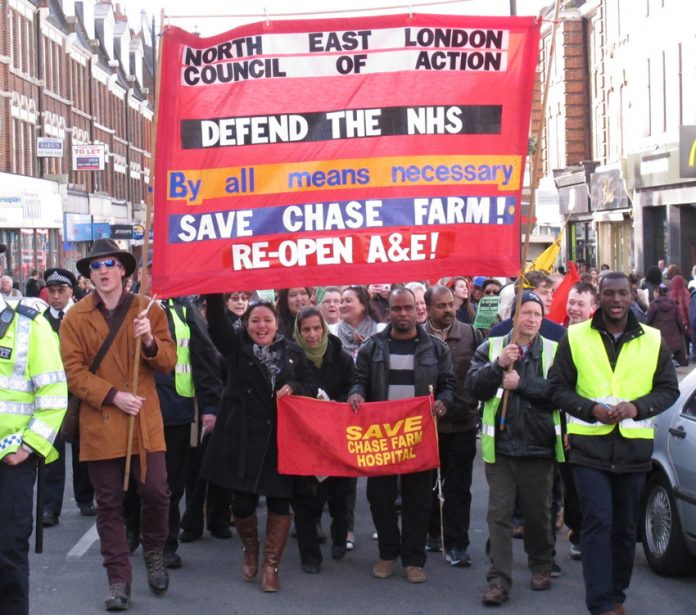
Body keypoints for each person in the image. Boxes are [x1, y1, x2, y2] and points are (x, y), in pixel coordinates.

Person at [549, 272, 679, 615]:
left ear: (632, 294)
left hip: (634, 450)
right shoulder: (575, 337)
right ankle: (600, 603)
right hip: (588, 449)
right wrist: (589, 409)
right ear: (600, 297)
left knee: (624, 528)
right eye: (609, 293)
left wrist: (637, 407)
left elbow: (668, 389)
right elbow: (556, 388)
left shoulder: (652, 339)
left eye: (623, 293)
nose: (617, 300)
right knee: (598, 522)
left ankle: (616, 593)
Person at [59, 239, 177, 611]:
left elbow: (168, 362)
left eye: (109, 264)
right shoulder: (75, 316)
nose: (103, 271)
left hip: (144, 421)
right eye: (95, 267)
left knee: (157, 492)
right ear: (90, 275)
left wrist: (148, 341)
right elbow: (73, 373)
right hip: (101, 420)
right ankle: (118, 580)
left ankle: (154, 551)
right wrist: (112, 395)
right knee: (108, 505)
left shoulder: (148, 309)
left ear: (124, 269)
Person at [202, 298, 316, 592]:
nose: (261, 326)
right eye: (255, 321)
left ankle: (270, 565)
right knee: (242, 503)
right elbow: (216, 322)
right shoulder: (235, 347)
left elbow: (310, 385)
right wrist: (215, 291)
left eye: (267, 320)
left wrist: (295, 387)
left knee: (280, 501)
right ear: (246, 324)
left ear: (278, 323)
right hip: (242, 437)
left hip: (280, 439)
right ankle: (250, 549)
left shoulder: (292, 352)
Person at [348, 288, 454, 584]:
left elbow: (448, 385)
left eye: (408, 308)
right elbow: (359, 380)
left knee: (418, 500)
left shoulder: (435, 348)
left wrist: (444, 401)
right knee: (379, 497)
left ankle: (413, 559)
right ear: (388, 311)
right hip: (381, 437)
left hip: (417, 437)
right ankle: (387, 554)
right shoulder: (372, 347)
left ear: (418, 310)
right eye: (397, 309)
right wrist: (356, 393)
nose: (403, 314)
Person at [467, 291, 564, 607]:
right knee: (499, 516)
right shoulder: (492, 347)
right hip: (503, 448)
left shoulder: (554, 351)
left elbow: (560, 394)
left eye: (538, 314)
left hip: (539, 447)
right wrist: (498, 366)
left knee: (538, 514)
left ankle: (541, 565)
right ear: (513, 316)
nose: (533, 319)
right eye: (527, 313)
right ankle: (498, 580)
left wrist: (520, 384)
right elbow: (473, 387)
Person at [123, 284, 224, 568]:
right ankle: (132, 527)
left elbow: (204, 358)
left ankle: (166, 543)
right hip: (135, 409)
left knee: (170, 485)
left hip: (176, 412)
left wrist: (210, 407)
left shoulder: (183, 309)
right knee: (132, 481)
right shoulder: (127, 307)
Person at [0, 245, 68, 615]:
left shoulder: (28, 322)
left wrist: (27, 446)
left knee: (8, 555)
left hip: (11, 459)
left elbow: (54, 392)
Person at [291, 306, 355, 573]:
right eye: (306, 329)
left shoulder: (341, 357)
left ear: (325, 328)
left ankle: (340, 536)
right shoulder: (291, 358)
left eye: (317, 328)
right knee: (304, 496)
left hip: (336, 436)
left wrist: (335, 405)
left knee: (339, 494)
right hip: (302, 437)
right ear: (298, 332)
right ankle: (310, 556)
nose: (312, 334)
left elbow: (353, 387)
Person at [423, 285, 482, 567]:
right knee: (429, 485)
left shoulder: (470, 334)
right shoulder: (417, 337)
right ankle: (433, 531)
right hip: (427, 426)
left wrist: (472, 403)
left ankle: (458, 543)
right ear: (428, 308)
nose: (448, 310)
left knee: (459, 486)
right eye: (441, 306)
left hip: (462, 423)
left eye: (451, 304)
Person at [40, 268, 96, 527]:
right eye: (51, 291)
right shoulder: (40, 320)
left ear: (72, 291)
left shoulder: (83, 317)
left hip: (78, 392)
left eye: (61, 291)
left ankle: (85, 499)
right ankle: (50, 508)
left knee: (83, 449)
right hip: (51, 394)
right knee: (52, 454)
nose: (55, 296)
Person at [489, 271, 566, 342]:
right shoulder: (498, 332)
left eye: (551, 293)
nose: (551, 299)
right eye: (544, 293)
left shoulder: (559, 333)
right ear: (525, 294)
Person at [333, 285, 384, 360]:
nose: (343, 305)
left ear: (363, 305)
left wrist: (369, 345)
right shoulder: (332, 331)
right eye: (341, 302)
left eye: (348, 301)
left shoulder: (381, 330)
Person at [647, 283, 687, 366]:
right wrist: (685, 333)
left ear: (657, 292)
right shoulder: (673, 304)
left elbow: (648, 322)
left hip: (660, 338)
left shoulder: (654, 305)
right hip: (674, 340)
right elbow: (679, 321)